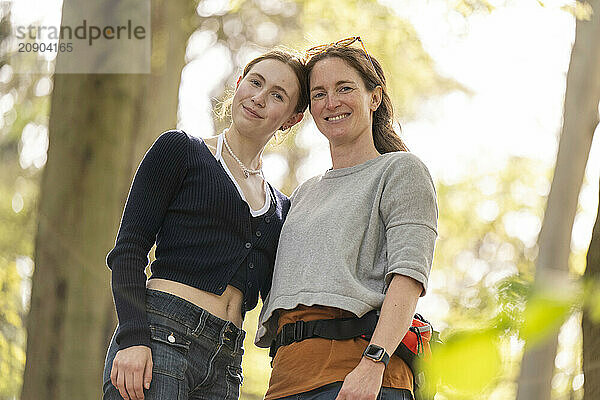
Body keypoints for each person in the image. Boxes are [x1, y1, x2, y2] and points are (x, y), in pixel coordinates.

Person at [102, 49, 309, 400]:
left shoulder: (282, 208)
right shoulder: (181, 150)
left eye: (277, 95)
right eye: (255, 83)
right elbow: (128, 251)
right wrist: (133, 338)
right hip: (161, 336)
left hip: (227, 363)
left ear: (291, 118)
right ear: (239, 84)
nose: (259, 98)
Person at [255, 38, 438, 400]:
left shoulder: (401, 171)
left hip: (358, 377)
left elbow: (409, 276)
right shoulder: (304, 193)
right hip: (286, 382)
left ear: (375, 97)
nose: (331, 102)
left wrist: (373, 363)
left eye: (345, 88)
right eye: (319, 93)